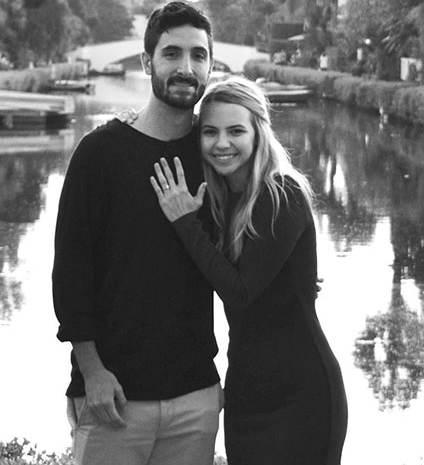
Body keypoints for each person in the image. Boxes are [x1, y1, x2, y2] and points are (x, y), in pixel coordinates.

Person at [52, 1, 222, 465]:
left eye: (198, 55)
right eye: (171, 54)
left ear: (211, 65)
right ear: (148, 62)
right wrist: (92, 373)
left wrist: (292, 276)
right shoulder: (99, 154)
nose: (186, 68)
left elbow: (244, 245)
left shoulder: (217, 156)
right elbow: (71, 275)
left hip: (196, 396)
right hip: (115, 396)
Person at [149, 76, 348, 465]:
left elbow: (239, 291)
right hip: (246, 393)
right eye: (210, 132)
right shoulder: (219, 201)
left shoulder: (282, 193)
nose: (222, 143)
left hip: (301, 394)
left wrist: (184, 222)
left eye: (235, 130)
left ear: (258, 132)